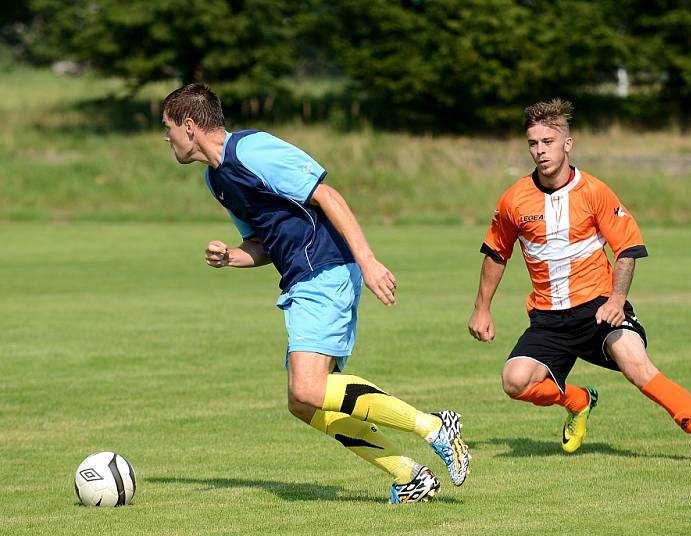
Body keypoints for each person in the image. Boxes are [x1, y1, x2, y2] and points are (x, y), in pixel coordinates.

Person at [162, 83, 469, 503]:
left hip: (325, 270)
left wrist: (368, 260)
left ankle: (434, 426)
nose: (166, 138)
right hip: (302, 278)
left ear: (190, 126)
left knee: (308, 389)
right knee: (303, 402)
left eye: (168, 127)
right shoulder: (216, 180)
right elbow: (264, 242)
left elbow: (327, 194)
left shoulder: (253, 150)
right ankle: (408, 475)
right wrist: (231, 256)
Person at [467, 98, 691, 465]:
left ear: (567, 143)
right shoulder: (513, 200)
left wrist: (617, 300)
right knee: (514, 381)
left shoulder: (595, 192)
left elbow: (628, 248)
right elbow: (496, 253)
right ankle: (578, 400)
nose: (540, 151)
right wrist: (481, 308)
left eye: (548, 142)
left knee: (637, 366)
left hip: (599, 310)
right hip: (549, 320)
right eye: (533, 144)